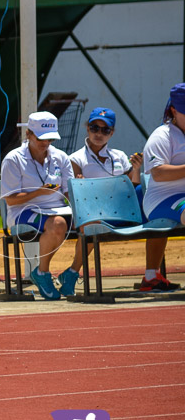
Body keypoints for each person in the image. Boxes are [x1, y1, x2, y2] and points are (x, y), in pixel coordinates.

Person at [61, 107, 144, 295]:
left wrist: (137, 169)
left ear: (112, 132)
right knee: (91, 223)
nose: (99, 133)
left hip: (119, 211)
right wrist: (80, 187)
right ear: (87, 128)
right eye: (94, 128)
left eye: (105, 130)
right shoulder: (76, 158)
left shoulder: (120, 156)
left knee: (143, 192)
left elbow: (133, 188)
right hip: (90, 213)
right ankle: (73, 272)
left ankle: (152, 275)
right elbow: (72, 195)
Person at [0, 111, 75, 300]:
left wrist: (79, 200)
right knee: (58, 224)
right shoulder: (13, 159)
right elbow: (10, 199)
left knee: (90, 222)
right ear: (28, 134)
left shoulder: (61, 157)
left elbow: (69, 192)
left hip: (57, 209)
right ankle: (42, 273)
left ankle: (73, 272)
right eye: (40, 138)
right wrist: (39, 192)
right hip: (23, 211)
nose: (45, 143)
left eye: (50, 138)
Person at [139, 83, 185, 292]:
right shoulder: (162, 135)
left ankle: (151, 277)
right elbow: (158, 172)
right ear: (174, 111)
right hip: (163, 199)